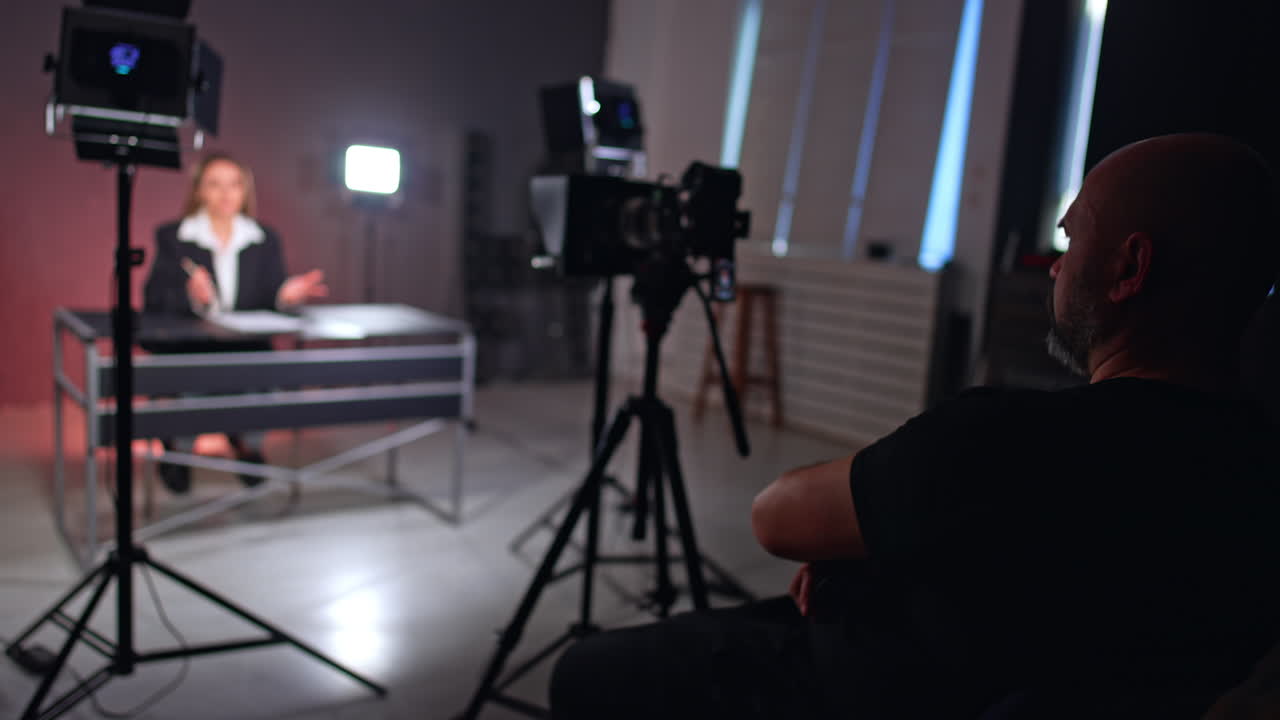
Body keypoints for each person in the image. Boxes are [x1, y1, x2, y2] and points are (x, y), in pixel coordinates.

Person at [548, 133, 1280, 719]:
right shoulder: (1255, 476)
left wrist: (867, 541)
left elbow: (775, 516)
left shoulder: (1001, 443)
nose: (1055, 267)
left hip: (839, 688)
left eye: (1071, 238)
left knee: (584, 672)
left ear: (1130, 268)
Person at [143, 153, 328, 494]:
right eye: (215, 184)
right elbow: (154, 298)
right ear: (199, 191)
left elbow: (270, 291)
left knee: (260, 382)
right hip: (193, 347)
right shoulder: (174, 237)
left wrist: (286, 294)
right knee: (192, 385)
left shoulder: (264, 238)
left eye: (234, 184)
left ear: (245, 191)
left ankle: (247, 445)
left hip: (248, 348)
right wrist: (190, 294)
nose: (226, 193)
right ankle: (180, 452)